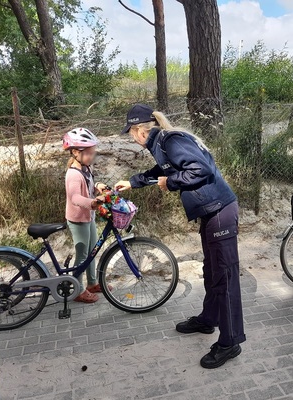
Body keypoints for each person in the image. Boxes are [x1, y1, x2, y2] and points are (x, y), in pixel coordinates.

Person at [115, 104, 246, 369]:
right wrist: (134, 182)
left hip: (220, 211)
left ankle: (230, 342)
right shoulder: (162, 143)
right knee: (211, 271)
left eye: (130, 132)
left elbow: (200, 170)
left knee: (225, 276)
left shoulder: (171, 140)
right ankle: (209, 319)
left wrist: (170, 183)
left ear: (140, 130)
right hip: (211, 213)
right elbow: (163, 170)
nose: (131, 137)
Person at [63, 127, 109, 303]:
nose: (91, 156)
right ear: (75, 152)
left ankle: (92, 283)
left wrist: (98, 186)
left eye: (92, 153)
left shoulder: (85, 168)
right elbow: (75, 197)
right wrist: (92, 202)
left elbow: (88, 185)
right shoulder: (73, 174)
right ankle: (78, 290)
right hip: (78, 219)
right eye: (88, 153)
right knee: (82, 255)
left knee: (92, 251)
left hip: (88, 216)